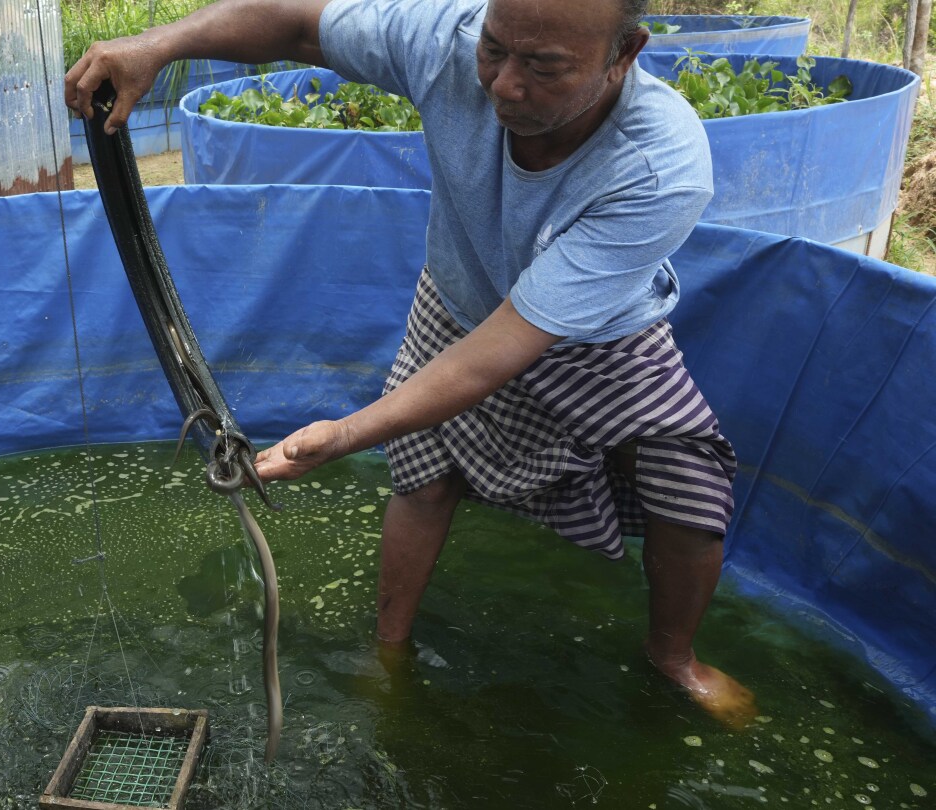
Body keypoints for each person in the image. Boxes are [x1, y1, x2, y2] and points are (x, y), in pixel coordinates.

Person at [66, 0, 756, 726]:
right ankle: (388, 648)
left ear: (625, 53)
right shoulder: (446, 41)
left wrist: (345, 433)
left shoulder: (660, 164)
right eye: (496, 50)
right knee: (423, 479)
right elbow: (297, 23)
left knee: (687, 487)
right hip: (457, 298)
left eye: (544, 67)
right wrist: (156, 44)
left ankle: (674, 657)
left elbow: (510, 343)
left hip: (601, 334)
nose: (504, 86)